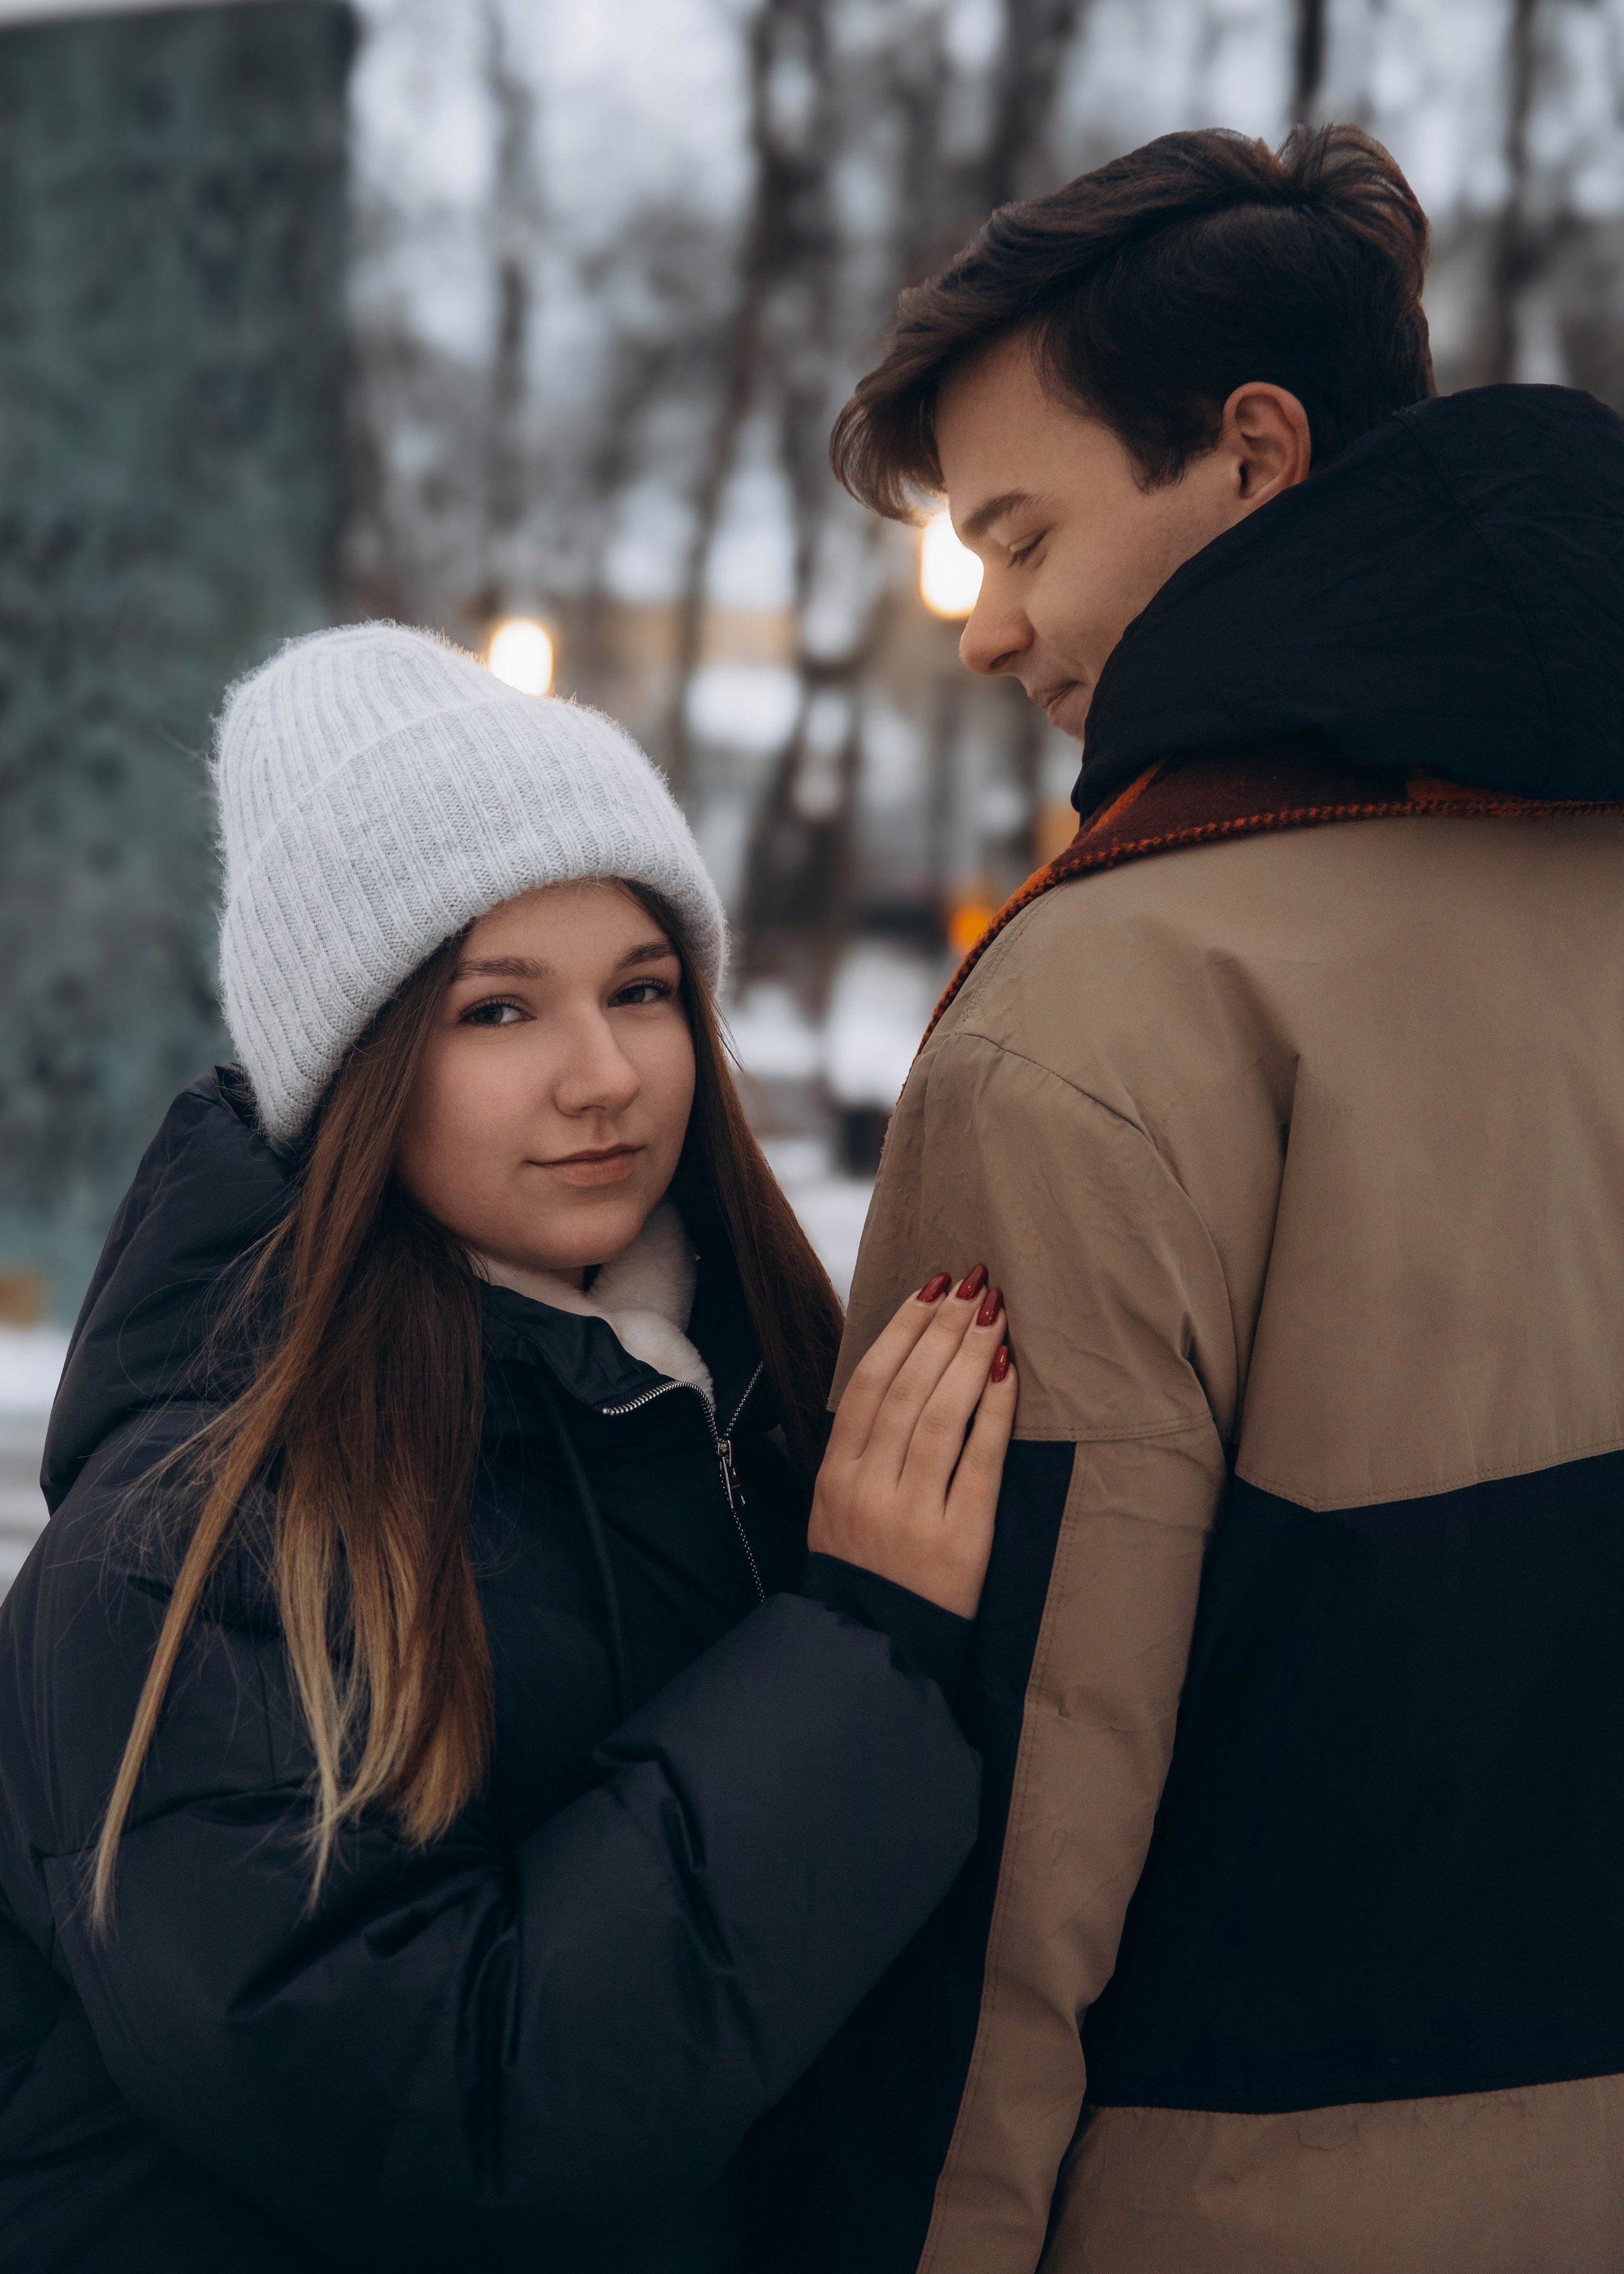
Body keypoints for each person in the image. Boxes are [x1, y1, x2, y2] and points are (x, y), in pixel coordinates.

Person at [766, 123, 1624, 2273]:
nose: (995, 633)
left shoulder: (1099, 1017)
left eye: (1022, 537)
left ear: (1253, 455)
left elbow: (1017, 1807)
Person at [0, 622, 1018, 2274]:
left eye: (641, 989)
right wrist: (862, 1658)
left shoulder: (745, 1398)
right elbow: (444, 2113)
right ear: (357, 1068)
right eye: (496, 1011)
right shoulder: (198, 1541)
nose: (605, 1075)